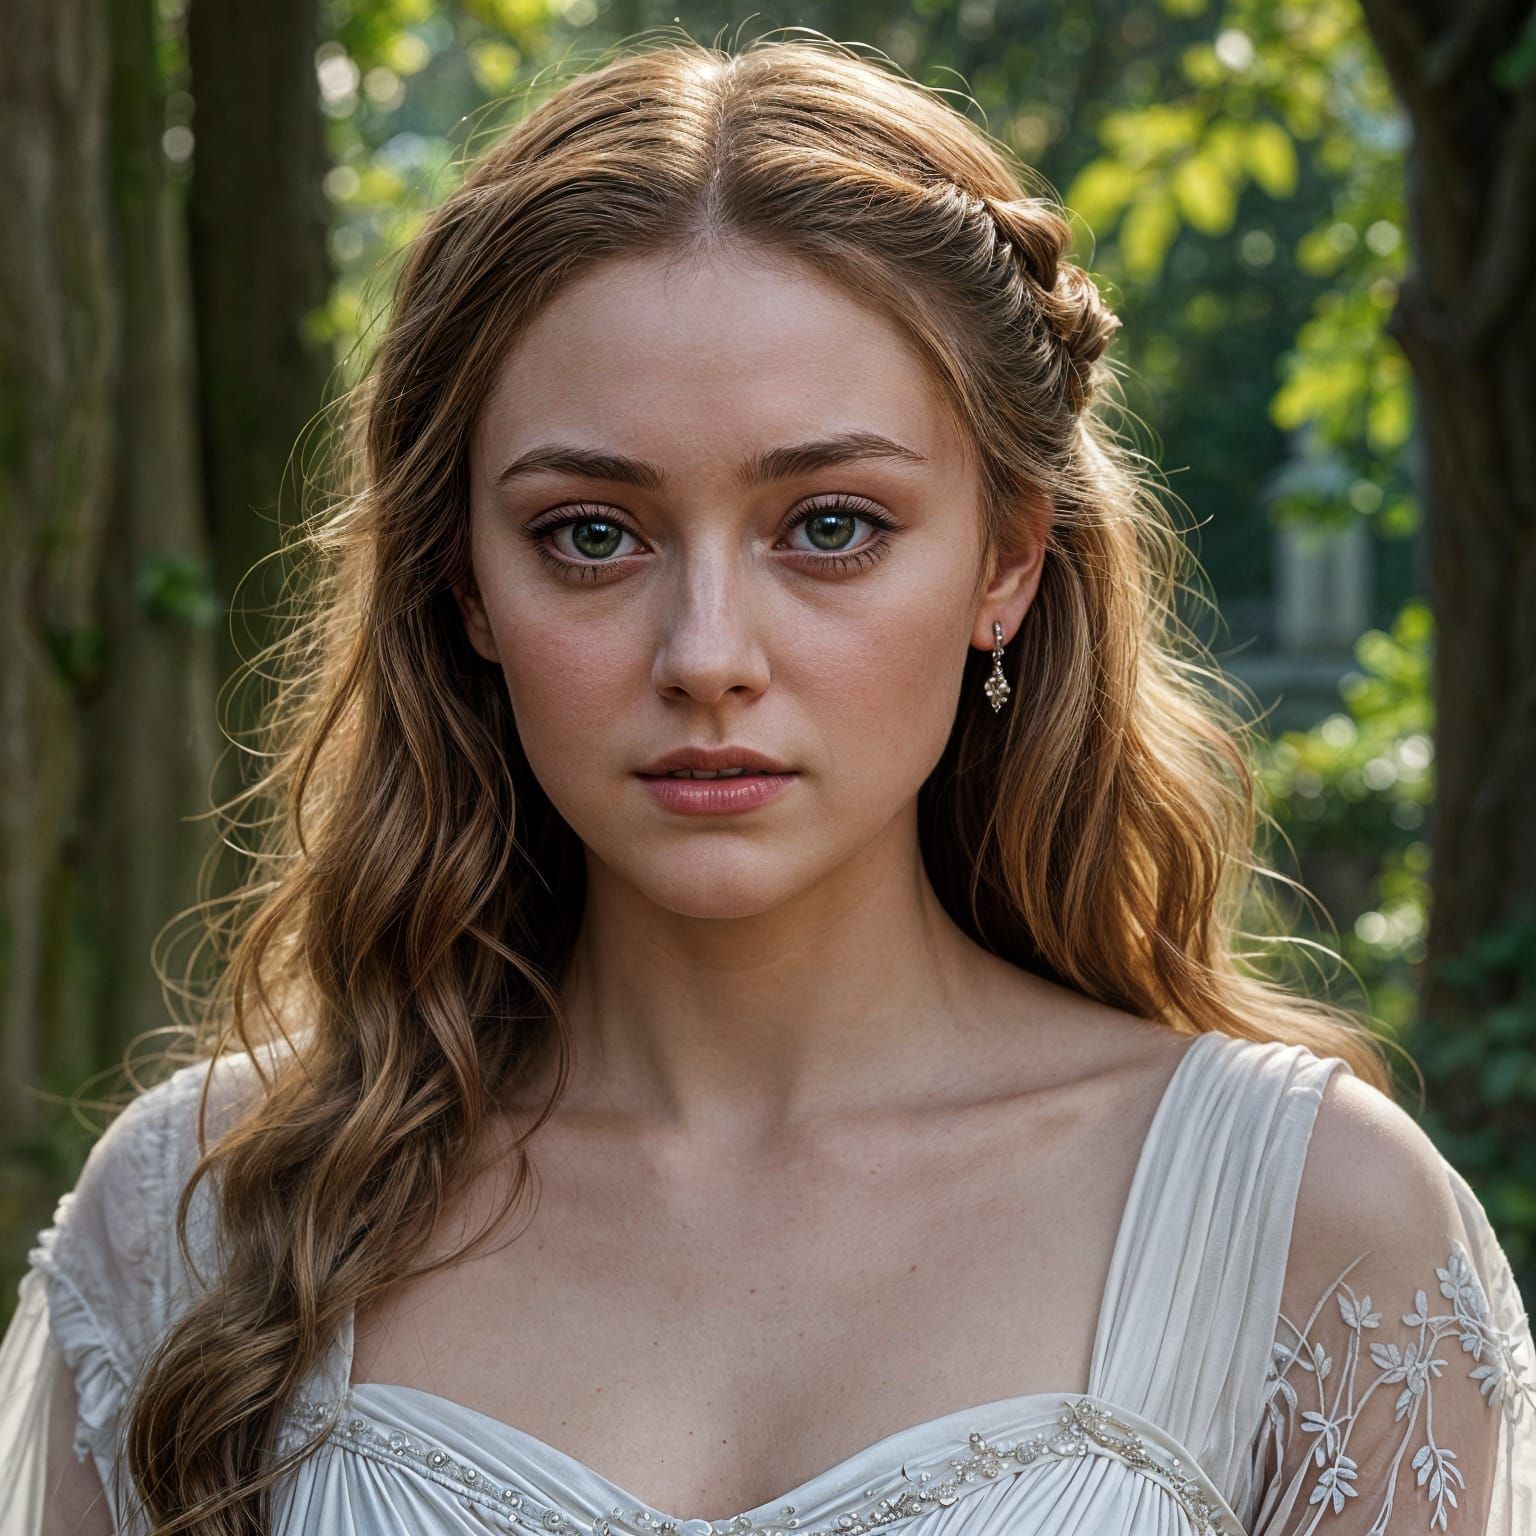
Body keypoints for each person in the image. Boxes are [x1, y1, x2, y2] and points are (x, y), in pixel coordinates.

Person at [2, 30, 1532, 1536]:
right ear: (464, 581)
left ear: (1007, 559)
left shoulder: (1310, 1228)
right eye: (592, 534)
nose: (707, 653)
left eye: (832, 525)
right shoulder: (195, 1218)